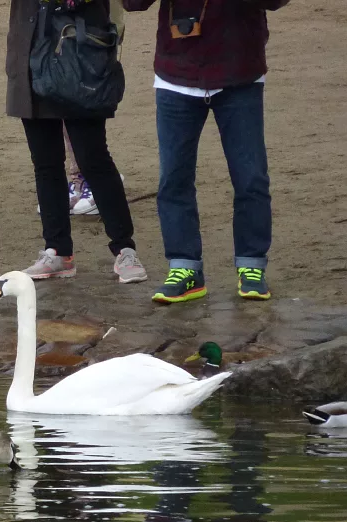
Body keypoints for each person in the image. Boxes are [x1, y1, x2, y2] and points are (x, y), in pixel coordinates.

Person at [122, 0, 289, 303]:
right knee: (173, 179)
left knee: (250, 177)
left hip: (240, 72)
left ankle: (252, 264)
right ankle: (184, 267)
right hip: (176, 74)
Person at [7, 0, 147, 284]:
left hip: (80, 51)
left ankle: (124, 248)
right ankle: (57, 250)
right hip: (32, 49)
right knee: (45, 163)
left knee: (92, 158)